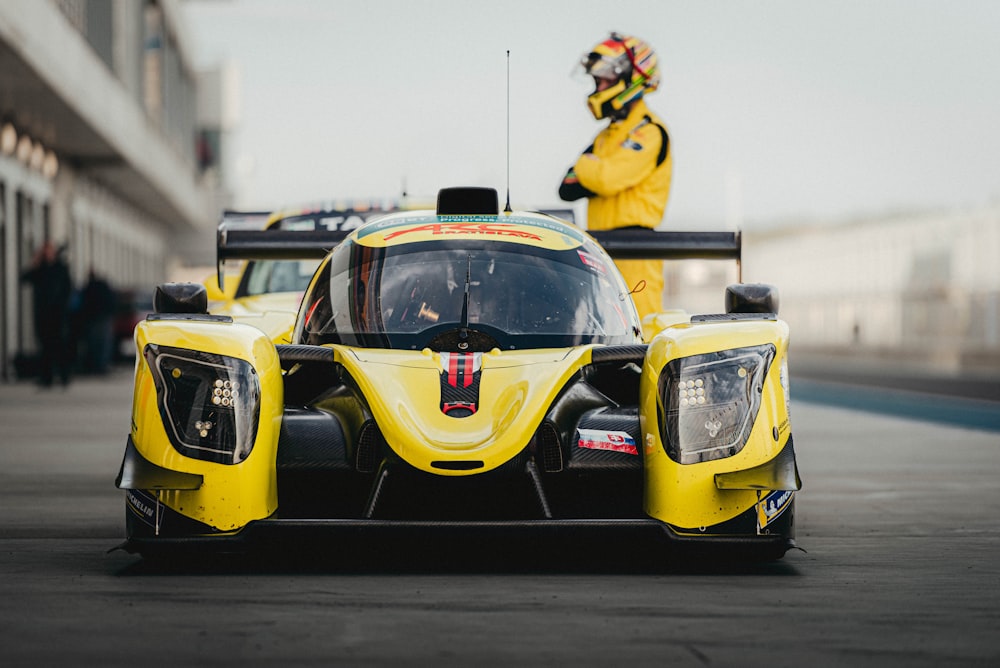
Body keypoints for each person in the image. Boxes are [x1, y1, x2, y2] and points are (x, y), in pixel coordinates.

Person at [559, 31, 673, 322]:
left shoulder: (650, 132)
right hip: (599, 248)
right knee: (602, 335)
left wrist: (588, 166)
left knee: (641, 333)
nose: (598, 86)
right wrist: (593, 168)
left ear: (630, 79)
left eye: (604, 79)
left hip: (637, 249)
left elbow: (605, 179)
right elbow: (567, 187)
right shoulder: (607, 136)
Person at [20, 240, 74, 387]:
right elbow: (23, 278)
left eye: (49, 251)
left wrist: (63, 307)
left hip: (58, 315)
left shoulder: (61, 268)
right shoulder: (40, 269)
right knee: (45, 347)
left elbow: (68, 288)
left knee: (60, 346)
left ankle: (64, 377)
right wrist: (35, 262)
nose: (47, 254)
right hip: (42, 314)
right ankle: (46, 378)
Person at [78, 269, 117, 374]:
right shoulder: (103, 287)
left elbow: (84, 303)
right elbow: (112, 300)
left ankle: (96, 366)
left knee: (94, 343)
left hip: (93, 318)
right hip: (103, 317)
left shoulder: (88, 288)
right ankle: (102, 366)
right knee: (104, 343)